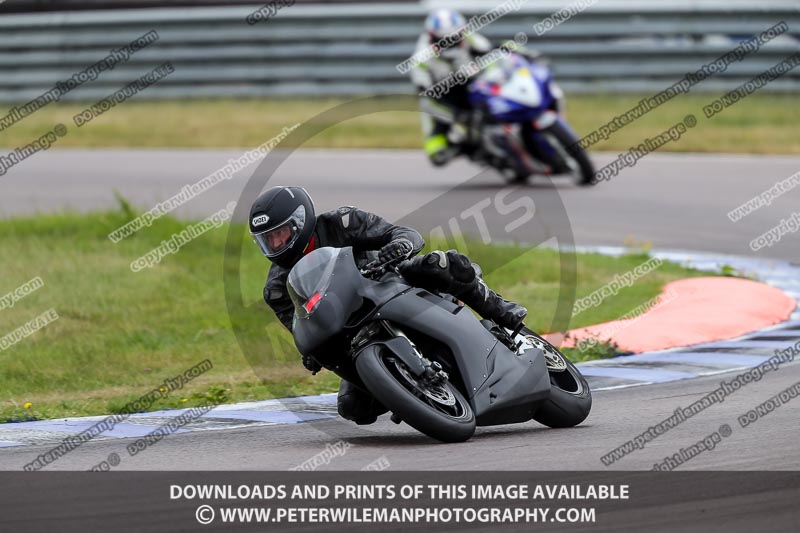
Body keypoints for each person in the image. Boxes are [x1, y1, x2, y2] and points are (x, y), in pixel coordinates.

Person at [251, 185, 527, 424]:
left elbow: (405, 233)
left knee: (443, 264)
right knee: (353, 409)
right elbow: (300, 325)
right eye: (268, 239)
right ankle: (409, 393)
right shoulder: (276, 289)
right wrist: (310, 350)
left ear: (300, 222)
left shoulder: (342, 222)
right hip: (351, 331)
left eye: (281, 234)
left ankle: (502, 311)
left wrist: (398, 246)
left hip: (391, 282)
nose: (275, 244)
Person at [410, 9, 492, 167]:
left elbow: (492, 53)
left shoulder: (470, 37)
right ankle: (463, 145)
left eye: (454, 39)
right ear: (432, 38)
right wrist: (456, 115)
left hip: (472, 84)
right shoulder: (420, 59)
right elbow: (426, 99)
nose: (449, 45)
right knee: (437, 155)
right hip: (444, 96)